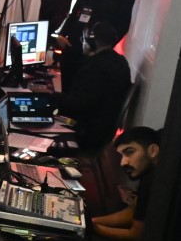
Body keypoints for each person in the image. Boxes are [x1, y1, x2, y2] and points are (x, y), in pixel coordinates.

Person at [57, 0, 137, 91]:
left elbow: (123, 25)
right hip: (73, 47)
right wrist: (62, 35)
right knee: (67, 91)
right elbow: (74, 14)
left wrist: (102, 47)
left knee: (82, 92)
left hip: (95, 53)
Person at [52, 21, 132, 149]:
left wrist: (51, 95)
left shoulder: (95, 68)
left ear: (91, 43)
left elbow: (79, 104)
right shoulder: (120, 61)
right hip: (101, 130)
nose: (82, 42)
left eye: (83, 39)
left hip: (86, 133)